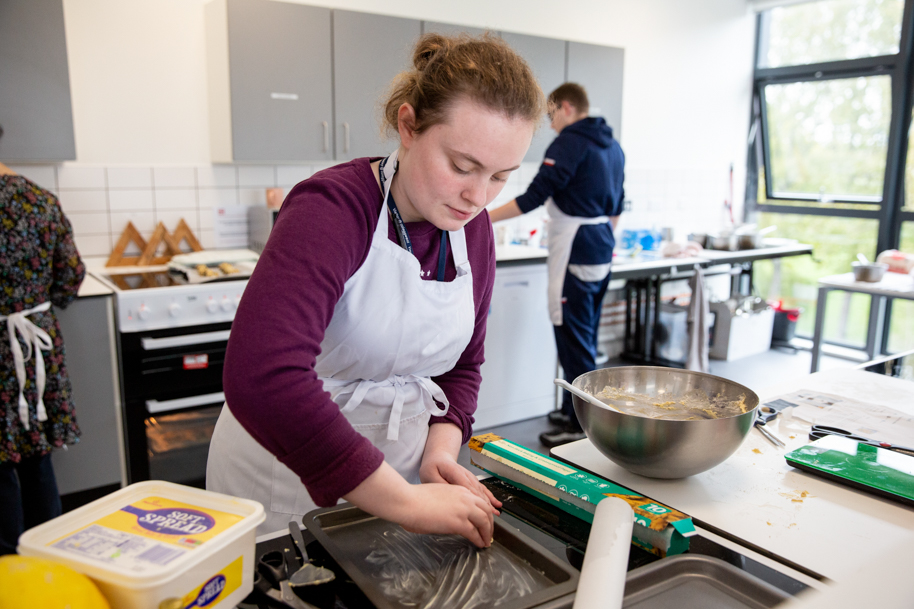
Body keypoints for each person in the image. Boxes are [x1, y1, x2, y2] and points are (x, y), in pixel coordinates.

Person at [206, 33, 545, 545]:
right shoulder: (332, 209)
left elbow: (463, 366)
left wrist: (439, 452)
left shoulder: (472, 230)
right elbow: (262, 376)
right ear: (408, 126)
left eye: (500, 176)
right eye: (461, 166)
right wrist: (406, 503)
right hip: (283, 488)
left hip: (401, 488)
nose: (478, 196)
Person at [489, 83, 625, 448]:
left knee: (574, 341)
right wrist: (597, 239)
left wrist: (482, 218)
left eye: (551, 115)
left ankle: (582, 426)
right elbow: (617, 207)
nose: (550, 124)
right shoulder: (612, 146)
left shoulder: (569, 142)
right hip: (600, 246)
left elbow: (534, 197)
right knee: (586, 334)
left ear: (566, 107)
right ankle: (571, 409)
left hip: (575, 247)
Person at [0, 152, 86, 555]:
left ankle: (8, 563)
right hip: (34, 340)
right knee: (37, 450)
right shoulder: (40, 199)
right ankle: (49, 555)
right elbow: (71, 276)